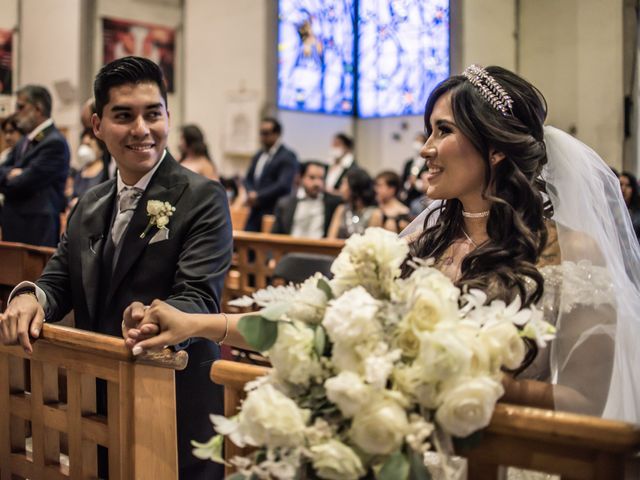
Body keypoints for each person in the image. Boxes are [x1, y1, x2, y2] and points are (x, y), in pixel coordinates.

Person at [127, 65, 640, 427]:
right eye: (427, 131)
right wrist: (197, 323)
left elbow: (586, 403)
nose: (425, 148)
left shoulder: (572, 252)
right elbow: (318, 318)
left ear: (498, 148)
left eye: (443, 131)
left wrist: (466, 382)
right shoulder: (421, 237)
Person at [0, 56, 232, 479]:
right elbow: (59, 279)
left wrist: (154, 315)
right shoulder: (90, 202)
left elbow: (198, 294)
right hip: (97, 395)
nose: (141, 129)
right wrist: (31, 296)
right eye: (124, 116)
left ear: (168, 118)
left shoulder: (203, 197)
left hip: (173, 395)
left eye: (152, 114)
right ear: (98, 125)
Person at [0, 85, 70, 247]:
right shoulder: (26, 140)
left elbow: (22, 183)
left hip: (37, 227)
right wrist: (11, 173)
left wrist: (12, 176)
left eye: (21, 106)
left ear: (38, 108)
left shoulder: (54, 142)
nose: (16, 112)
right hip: (15, 223)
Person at [244, 117, 299, 231]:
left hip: (274, 210)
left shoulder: (287, 156)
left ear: (277, 134)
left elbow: (283, 185)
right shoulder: (259, 154)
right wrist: (250, 193)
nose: (262, 137)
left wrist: (258, 196)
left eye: (266, 133)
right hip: (255, 210)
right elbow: (248, 178)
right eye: (261, 133)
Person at [272, 160, 342, 238]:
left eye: (321, 178)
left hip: (320, 249)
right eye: (312, 178)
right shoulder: (285, 204)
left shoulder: (333, 203)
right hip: (291, 248)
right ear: (301, 178)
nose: (317, 183)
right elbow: (275, 236)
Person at [327, 167, 383, 239]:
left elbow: (372, 244)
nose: (341, 188)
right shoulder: (341, 209)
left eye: (344, 184)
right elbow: (330, 239)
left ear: (355, 187)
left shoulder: (375, 214)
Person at [72, 128, 106, 200]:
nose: (84, 150)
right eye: (83, 145)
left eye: (89, 145)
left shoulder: (105, 173)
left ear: (100, 149)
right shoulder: (80, 172)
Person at [400, 133, 427, 205]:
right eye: (416, 140)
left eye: (420, 141)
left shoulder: (427, 163)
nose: (417, 143)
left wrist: (415, 182)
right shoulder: (409, 163)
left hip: (421, 196)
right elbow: (403, 178)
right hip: (408, 195)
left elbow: (428, 183)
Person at [619, 171, 640, 241]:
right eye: (620, 184)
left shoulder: (637, 211)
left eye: (628, 185)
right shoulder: (612, 208)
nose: (623, 189)